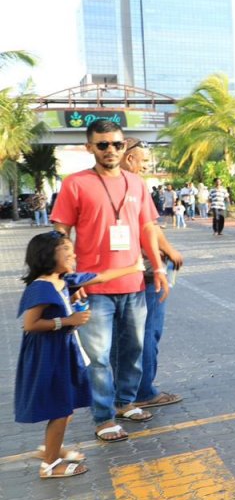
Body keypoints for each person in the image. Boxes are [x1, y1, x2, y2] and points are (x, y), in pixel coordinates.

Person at [50, 119, 168, 444]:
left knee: (134, 349)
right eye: (102, 145)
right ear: (90, 147)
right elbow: (61, 231)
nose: (111, 150)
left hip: (134, 283)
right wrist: (68, 278)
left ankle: (125, 402)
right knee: (99, 356)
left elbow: (148, 228)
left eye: (116, 144)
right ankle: (103, 417)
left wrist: (157, 268)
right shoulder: (76, 184)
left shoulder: (136, 183)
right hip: (93, 287)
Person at [16, 232, 142, 478]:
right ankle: (50, 466)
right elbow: (30, 324)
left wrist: (133, 267)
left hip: (62, 352)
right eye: (66, 250)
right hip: (47, 357)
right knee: (60, 409)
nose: (73, 255)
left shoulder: (64, 280)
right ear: (47, 255)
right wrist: (67, 320)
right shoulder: (41, 287)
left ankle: (51, 449)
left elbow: (100, 277)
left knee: (65, 407)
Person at [120, 139, 184, 411]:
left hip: (127, 270)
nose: (146, 166)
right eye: (143, 161)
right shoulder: (133, 186)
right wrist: (170, 252)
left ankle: (124, 391)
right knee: (148, 332)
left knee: (129, 335)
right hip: (145, 271)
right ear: (129, 158)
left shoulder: (112, 185)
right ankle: (144, 390)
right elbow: (151, 228)